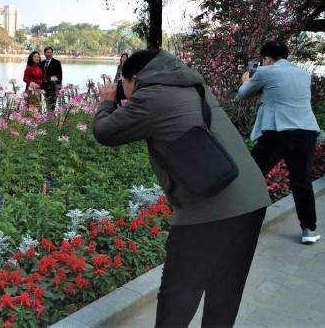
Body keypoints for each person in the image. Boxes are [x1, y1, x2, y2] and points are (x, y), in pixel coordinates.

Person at [93, 49, 271, 327]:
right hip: (251, 200)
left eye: (122, 83)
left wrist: (106, 102)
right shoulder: (192, 84)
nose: (123, 91)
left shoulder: (151, 97)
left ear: (135, 78)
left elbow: (105, 132)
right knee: (225, 293)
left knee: (178, 297)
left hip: (211, 207)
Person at [238, 41, 321, 244]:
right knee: (301, 182)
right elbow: (282, 93)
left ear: (266, 58)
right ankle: (308, 230)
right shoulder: (303, 74)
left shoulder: (265, 73)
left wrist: (246, 80)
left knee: (252, 175)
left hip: (279, 133)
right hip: (306, 132)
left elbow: (243, 94)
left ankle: (245, 226)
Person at [41, 47, 62, 111]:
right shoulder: (42, 63)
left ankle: (51, 119)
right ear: (44, 53)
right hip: (44, 87)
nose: (49, 54)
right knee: (46, 104)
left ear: (52, 53)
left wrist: (58, 87)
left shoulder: (57, 62)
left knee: (52, 105)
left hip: (53, 87)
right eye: (47, 52)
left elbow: (60, 76)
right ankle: (48, 119)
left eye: (50, 52)